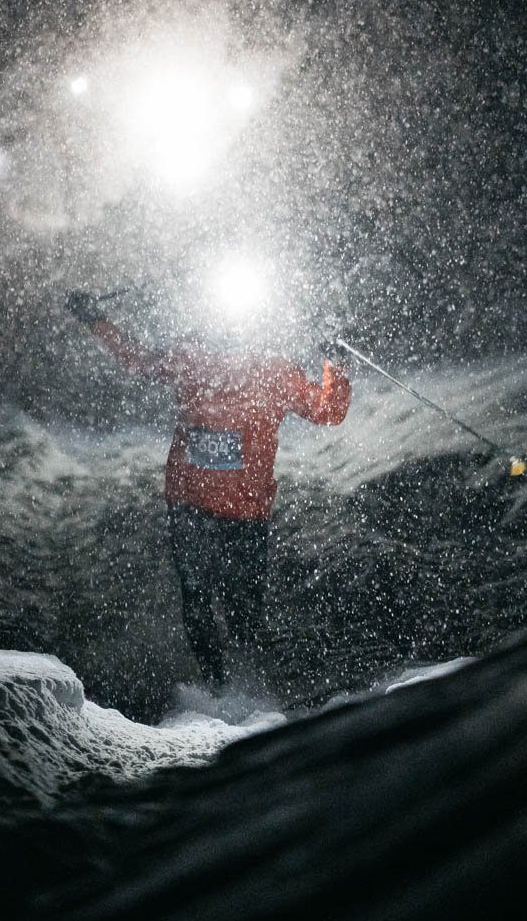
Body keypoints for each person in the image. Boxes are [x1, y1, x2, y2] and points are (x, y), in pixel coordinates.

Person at [66, 290, 352, 687]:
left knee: (241, 608)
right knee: (197, 598)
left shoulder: (273, 372)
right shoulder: (191, 359)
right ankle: (216, 686)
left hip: (244, 511)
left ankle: (247, 684)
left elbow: (327, 410)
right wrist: (96, 320)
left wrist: (335, 361)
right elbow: (137, 361)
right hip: (191, 503)